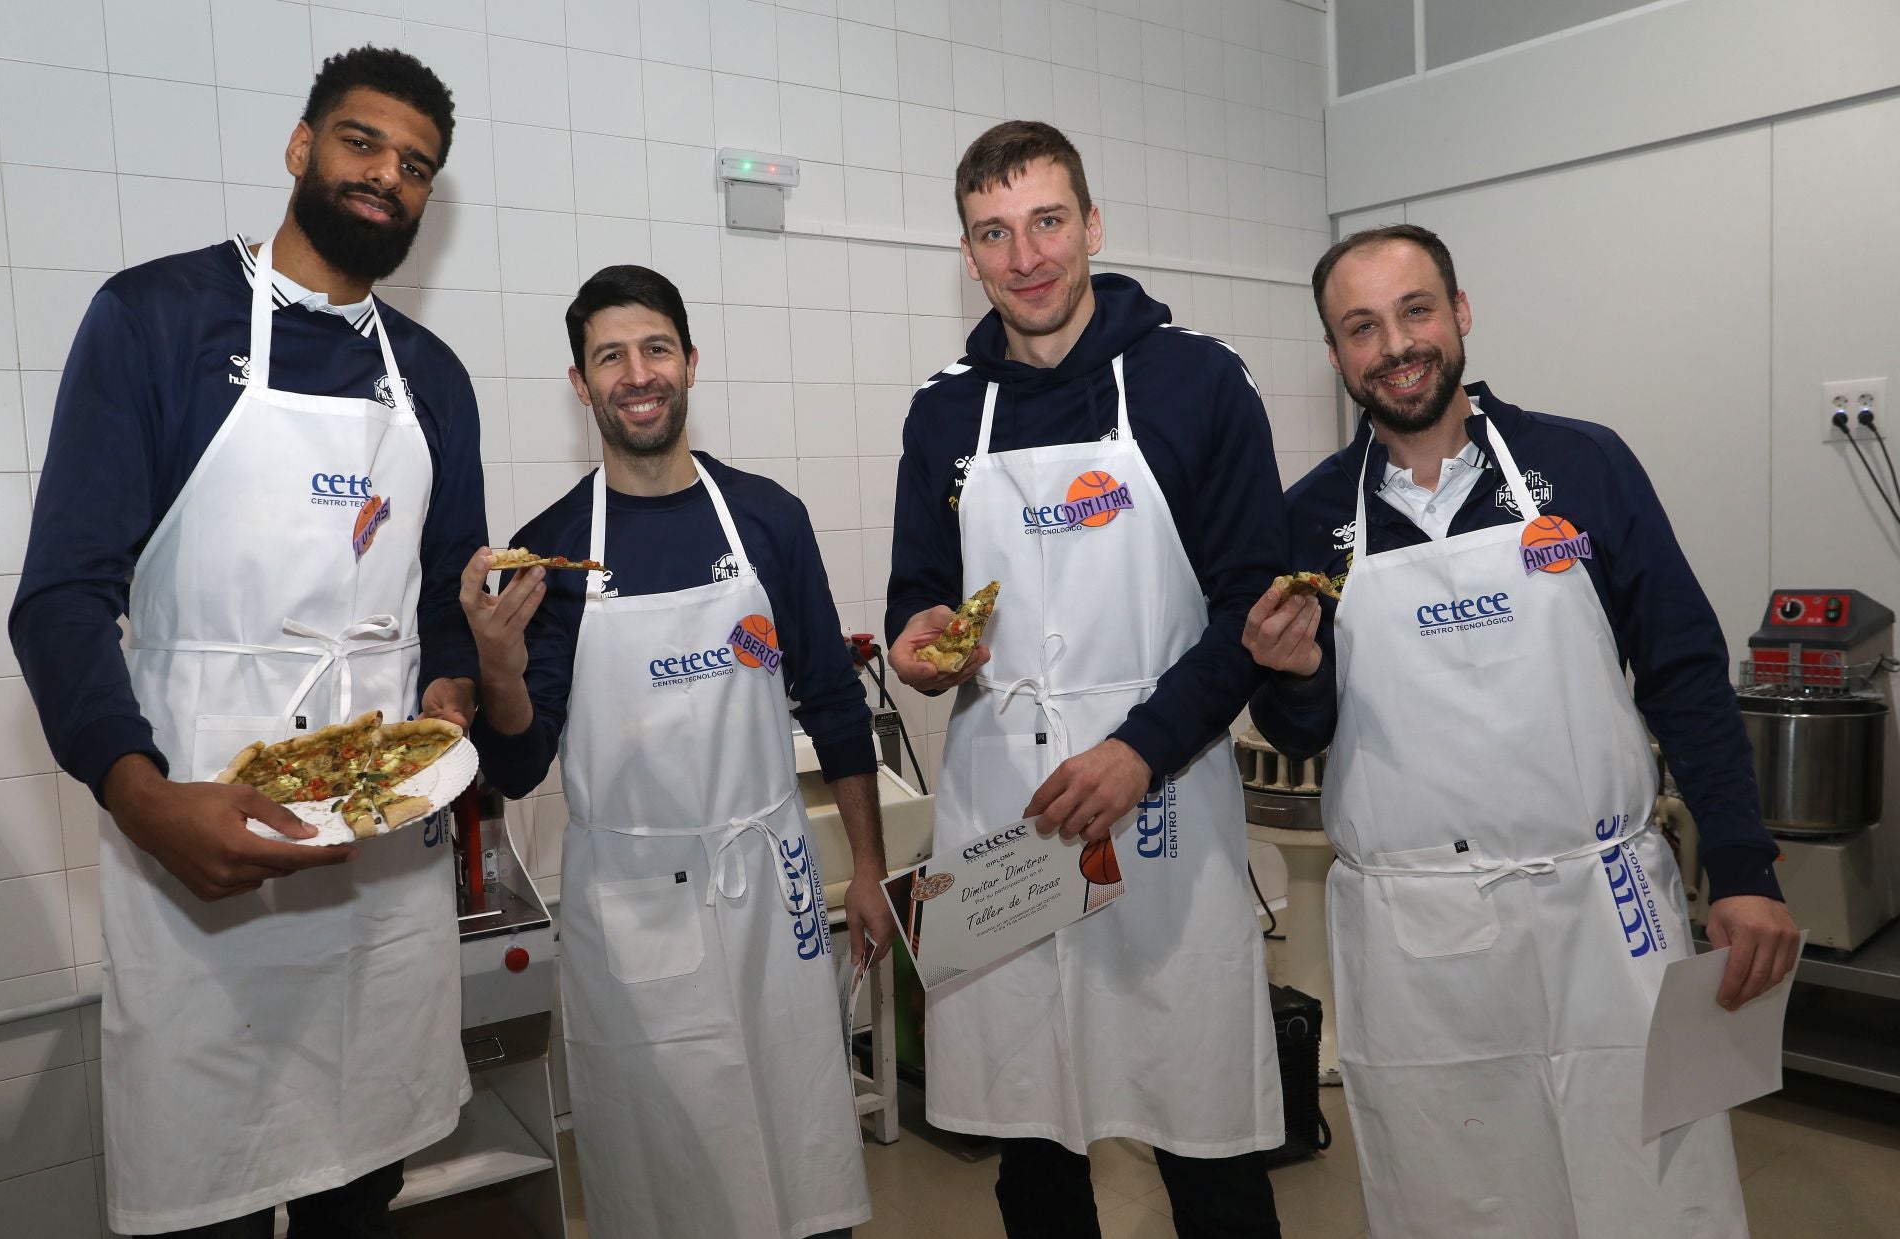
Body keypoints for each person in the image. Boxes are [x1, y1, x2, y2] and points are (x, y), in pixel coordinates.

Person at [8, 47, 485, 1239]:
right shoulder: (157, 319)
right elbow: (62, 595)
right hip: (194, 846)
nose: (386, 177)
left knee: (361, 1193)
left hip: (380, 874)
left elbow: (447, 606)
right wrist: (140, 793)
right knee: (205, 1200)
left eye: (416, 167)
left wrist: (457, 689)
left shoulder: (433, 379)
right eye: (361, 143)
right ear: (300, 146)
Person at [1245, 223, 1802, 1237]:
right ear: (1337, 357)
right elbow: (1305, 724)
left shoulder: (1583, 464)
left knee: (1652, 1186)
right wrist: (1290, 679)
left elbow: (1681, 671)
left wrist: (1746, 867)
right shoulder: (1312, 517)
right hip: (1419, 939)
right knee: (1455, 1193)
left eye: (1416, 311)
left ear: (1460, 314)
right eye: (1362, 327)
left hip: (1607, 912)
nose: (1396, 345)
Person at [886, 121, 1287, 1239]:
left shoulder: (1195, 381)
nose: (1027, 257)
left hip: (1161, 802)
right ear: (968, 254)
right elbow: (916, 590)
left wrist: (1140, 751)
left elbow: (1252, 610)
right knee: (1032, 1145)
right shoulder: (943, 411)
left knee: (1204, 1139)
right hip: (1004, 816)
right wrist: (921, 641)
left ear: (1093, 226)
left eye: (1048, 222)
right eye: (995, 234)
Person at [464, 265, 887, 1239]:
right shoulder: (552, 555)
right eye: (610, 356)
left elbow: (831, 699)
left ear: (690, 362)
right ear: (581, 383)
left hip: (769, 889)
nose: (637, 372)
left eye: (655, 348)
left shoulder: (768, 520)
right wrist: (496, 667)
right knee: (676, 1172)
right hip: (635, 907)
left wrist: (865, 869)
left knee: (802, 1137)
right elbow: (522, 769)